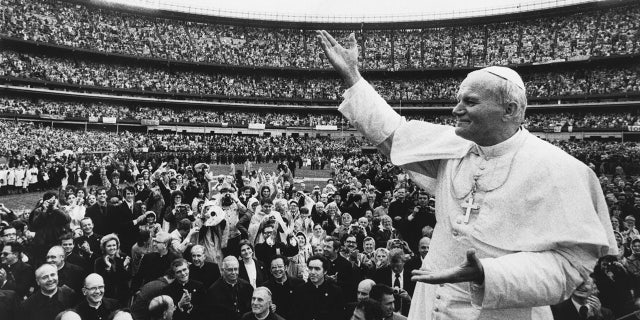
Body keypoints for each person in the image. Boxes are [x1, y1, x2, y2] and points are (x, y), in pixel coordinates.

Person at [316, 30, 616, 319]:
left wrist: (489, 274)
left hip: (503, 310)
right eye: (459, 99)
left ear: (509, 109)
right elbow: (393, 133)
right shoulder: (452, 144)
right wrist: (353, 77)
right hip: (432, 302)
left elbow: (570, 267)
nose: (456, 109)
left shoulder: (558, 169)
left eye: (470, 102)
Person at [291, 255, 345, 320]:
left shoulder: (335, 291)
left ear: (325, 271)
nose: (312, 272)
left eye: (317, 269)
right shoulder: (300, 290)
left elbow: (339, 316)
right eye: (310, 268)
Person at [206, 256, 254, 320]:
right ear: (223, 270)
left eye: (236, 269)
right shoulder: (213, 290)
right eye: (230, 270)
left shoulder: (247, 286)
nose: (234, 272)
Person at [263, 255, 304, 320]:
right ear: (270, 270)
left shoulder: (298, 283)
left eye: (280, 266)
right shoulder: (266, 287)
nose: (277, 269)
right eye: (274, 267)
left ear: (286, 268)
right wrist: (268, 308)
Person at [94, 234, 131, 302]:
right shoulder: (99, 261)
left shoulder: (123, 257)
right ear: (104, 247)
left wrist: (124, 267)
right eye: (109, 246)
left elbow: (128, 277)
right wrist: (109, 267)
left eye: (114, 245)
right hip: (108, 296)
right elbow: (101, 280)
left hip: (123, 294)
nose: (112, 248)